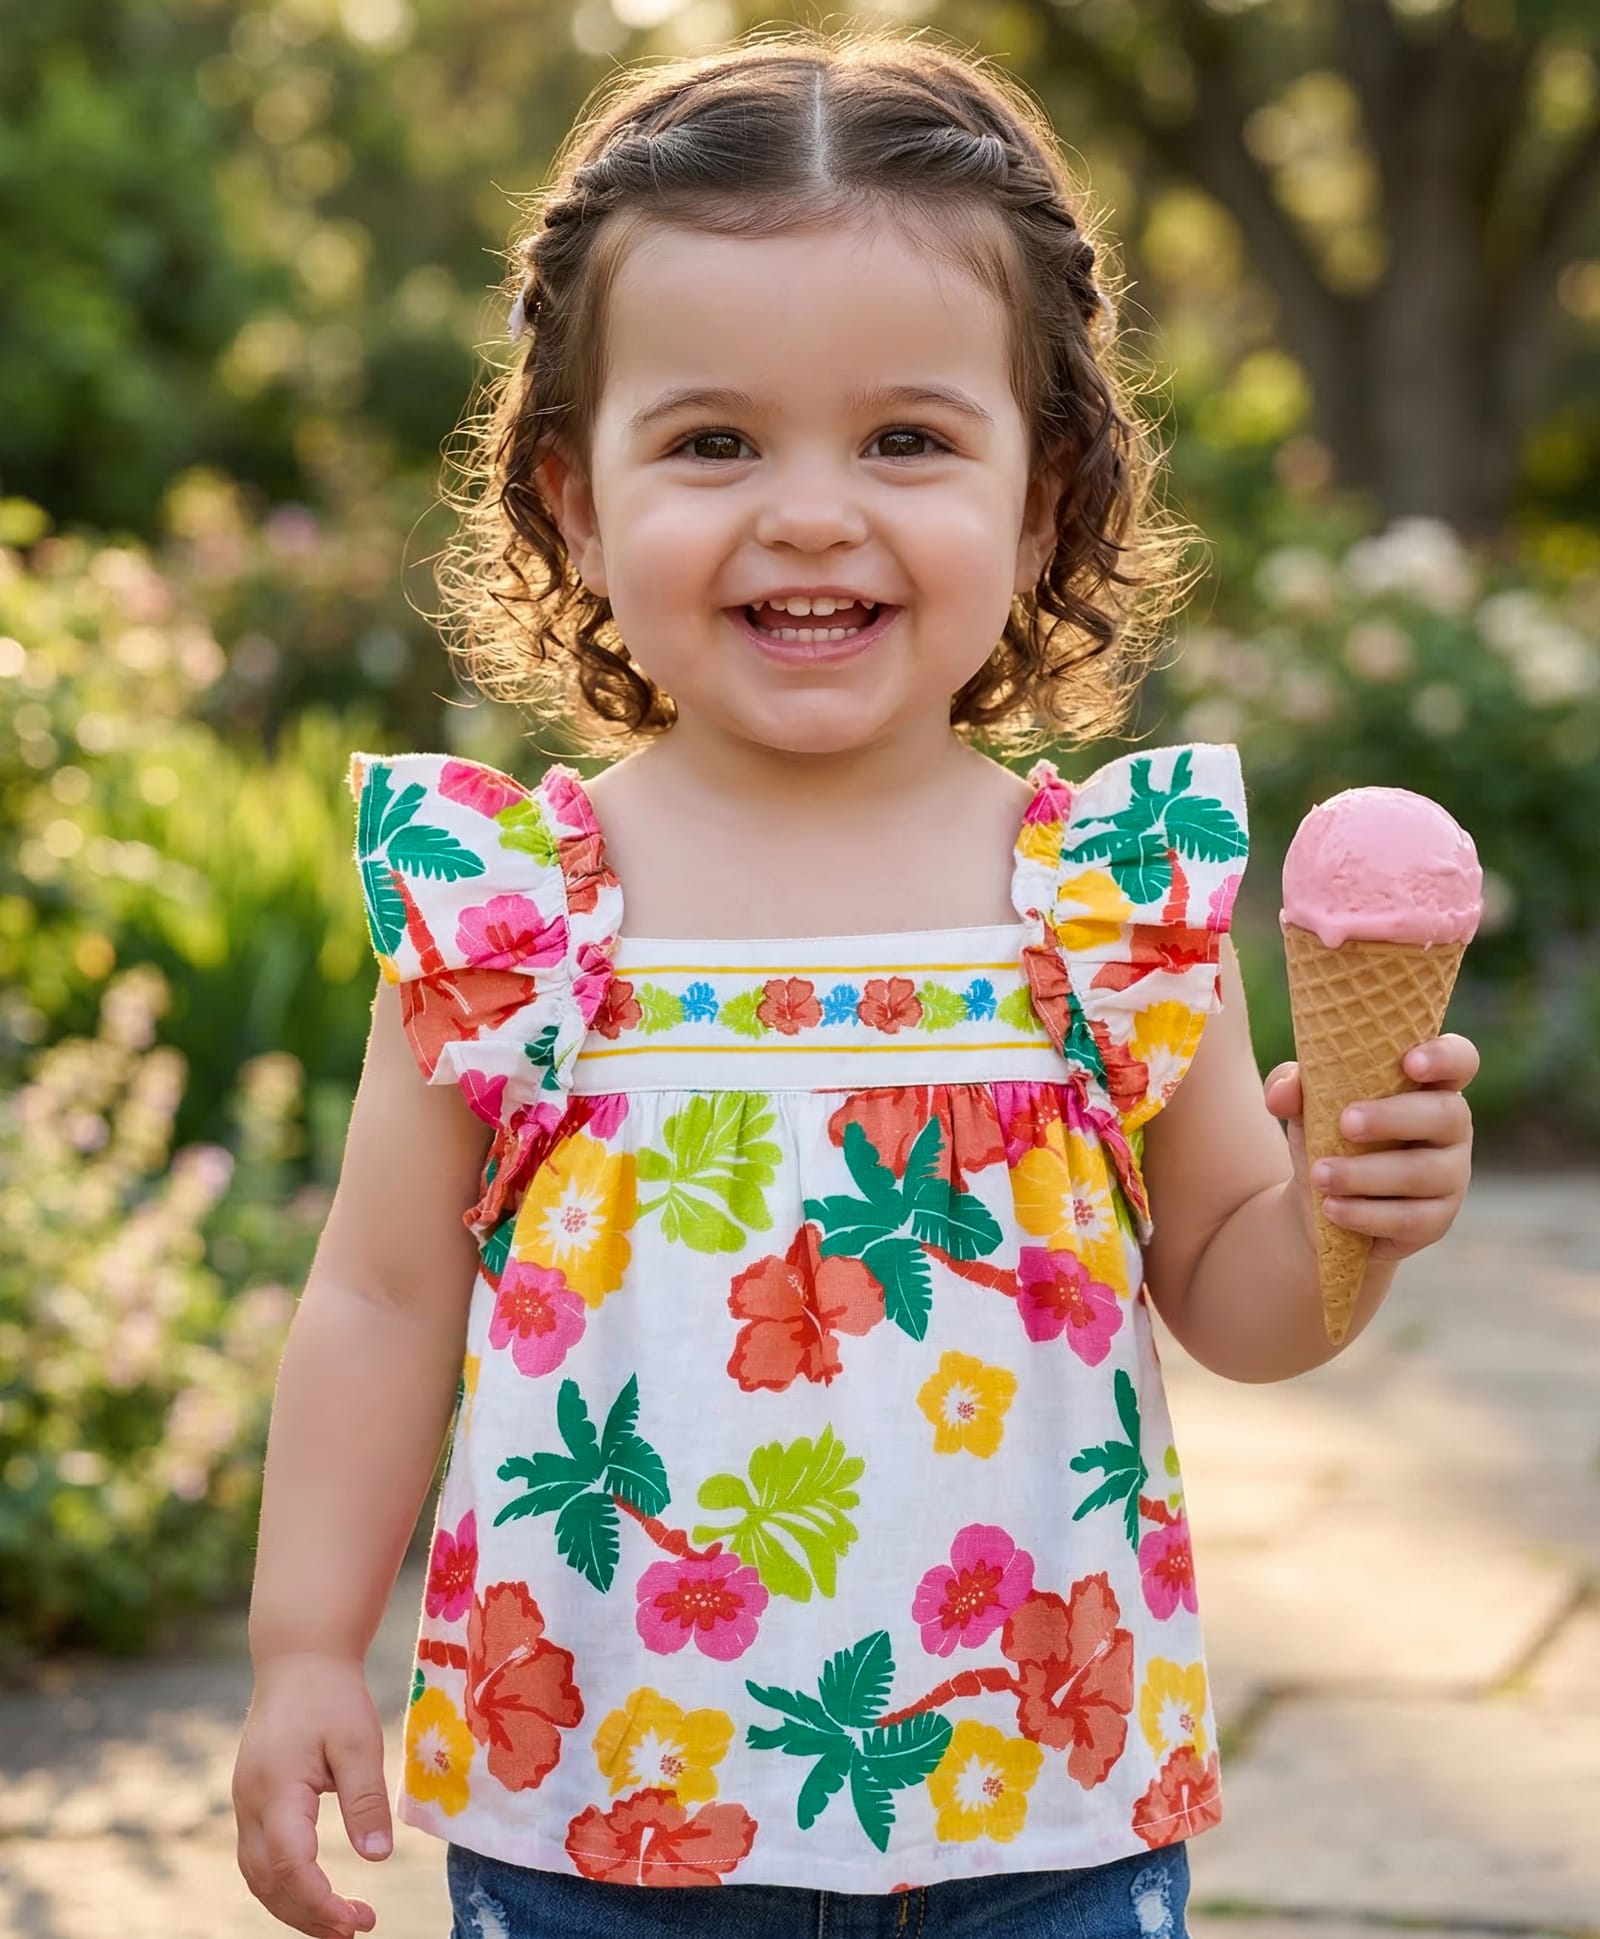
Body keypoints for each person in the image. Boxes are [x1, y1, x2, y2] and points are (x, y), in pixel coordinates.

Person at [231, 26, 1479, 1939]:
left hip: (1038, 1824)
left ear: (1044, 499)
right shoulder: (515, 913)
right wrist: (309, 1646)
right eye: (713, 440)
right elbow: (384, 1298)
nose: (811, 510)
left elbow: (1231, 1290)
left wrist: (1347, 1220)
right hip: (600, 1817)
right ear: (572, 498)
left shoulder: (1107, 898)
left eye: (906, 439)